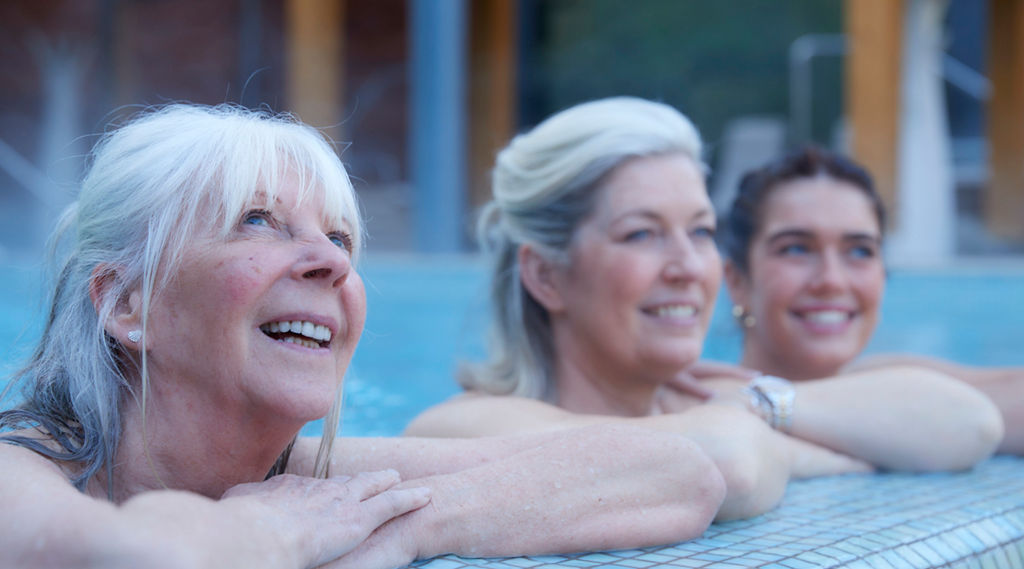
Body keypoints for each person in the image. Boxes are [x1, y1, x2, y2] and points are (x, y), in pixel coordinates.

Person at [0, 104, 732, 569]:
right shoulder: (23, 474)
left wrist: (417, 522)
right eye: (257, 220)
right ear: (130, 303)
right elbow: (121, 556)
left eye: (341, 236)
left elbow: (677, 472)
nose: (332, 261)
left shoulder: (313, 481)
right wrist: (269, 535)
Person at [405, 97, 1003, 515]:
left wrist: (758, 402)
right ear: (546, 275)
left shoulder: (718, 396)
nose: (689, 267)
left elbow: (968, 422)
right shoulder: (468, 423)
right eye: (641, 234)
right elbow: (726, 463)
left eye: (700, 231)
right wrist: (815, 445)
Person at [720, 146, 1023, 455]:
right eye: (796, 249)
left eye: (860, 251)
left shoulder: (896, 384)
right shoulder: (694, 403)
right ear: (737, 281)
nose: (832, 280)